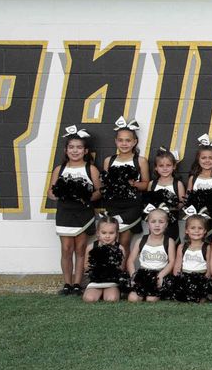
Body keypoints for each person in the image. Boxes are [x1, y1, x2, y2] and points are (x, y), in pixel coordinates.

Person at [49, 126, 100, 295]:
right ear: (66, 150)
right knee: (66, 249)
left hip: (83, 213)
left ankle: (78, 284)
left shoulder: (90, 169)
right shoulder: (60, 169)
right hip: (65, 212)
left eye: (79, 147)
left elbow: (99, 192)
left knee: (80, 249)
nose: (75, 151)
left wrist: (84, 196)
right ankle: (67, 283)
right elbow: (50, 192)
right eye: (71, 147)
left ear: (85, 151)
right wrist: (61, 194)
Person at [100, 116, 148, 234]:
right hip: (112, 205)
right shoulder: (108, 161)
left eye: (128, 140)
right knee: (111, 240)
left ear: (134, 142)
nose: (124, 144)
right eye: (120, 140)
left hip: (132, 206)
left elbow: (146, 185)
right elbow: (104, 185)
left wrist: (131, 183)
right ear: (116, 141)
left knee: (125, 241)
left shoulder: (140, 161)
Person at [127, 205, 175, 302]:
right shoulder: (141, 240)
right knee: (133, 298)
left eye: (161, 222)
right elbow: (130, 260)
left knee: (151, 299)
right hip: (143, 274)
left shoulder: (169, 241)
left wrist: (161, 276)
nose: (157, 225)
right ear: (148, 224)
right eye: (153, 222)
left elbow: (172, 261)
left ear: (166, 224)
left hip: (159, 274)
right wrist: (133, 276)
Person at [170, 212, 212, 303]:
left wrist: (205, 281)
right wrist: (178, 281)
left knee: (199, 300)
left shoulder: (207, 247)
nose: (196, 231)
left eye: (200, 228)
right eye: (193, 228)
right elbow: (177, 266)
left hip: (201, 278)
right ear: (186, 230)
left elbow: (209, 267)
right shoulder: (182, 247)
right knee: (181, 299)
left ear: (205, 231)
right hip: (185, 277)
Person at [82, 216, 127, 303]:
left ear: (117, 234)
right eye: (104, 233)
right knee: (89, 299)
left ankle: (110, 292)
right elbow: (86, 267)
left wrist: (109, 267)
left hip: (112, 281)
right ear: (98, 233)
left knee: (112, 299)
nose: (107, 236)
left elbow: (121, 268)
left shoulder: (120, 248)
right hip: (95, 281)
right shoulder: (91, 247)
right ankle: (97, 292)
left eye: (111, 233)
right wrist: (98, 267)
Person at [145, 147, 185, 240]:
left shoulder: (178, 184)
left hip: (171, 222)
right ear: (156, 167)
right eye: (161, 166)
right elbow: (148, 201)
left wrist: (170, 206)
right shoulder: (152, 184)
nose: (165, 168)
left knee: (171, 244)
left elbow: (182, 203)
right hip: (155, 222)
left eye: (168, 165)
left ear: (174, 166)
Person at [184, 134, 212, 226]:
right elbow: (187, 197)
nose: (207, 161)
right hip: (195, 217)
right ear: (198, 159)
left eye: (211, 158)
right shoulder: (193, 178)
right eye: (203, 158)